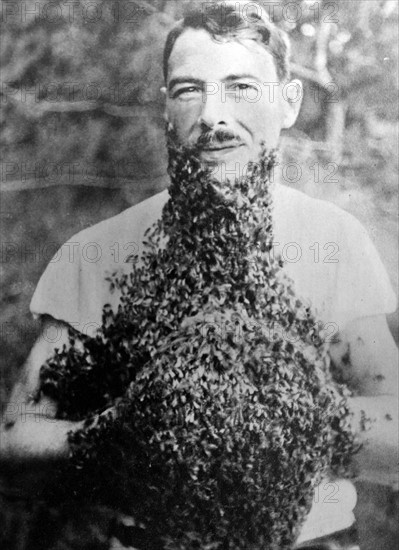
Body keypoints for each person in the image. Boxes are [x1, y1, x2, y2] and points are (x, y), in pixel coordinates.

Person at [1, 1, 397, 548]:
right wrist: (123, 431)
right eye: (189, 89)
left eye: (240, 88)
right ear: (167, 107)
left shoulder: (333, 241)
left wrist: (299, 415)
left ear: (288, 102)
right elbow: (14, 446)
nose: (212, 115)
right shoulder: (98, 253)